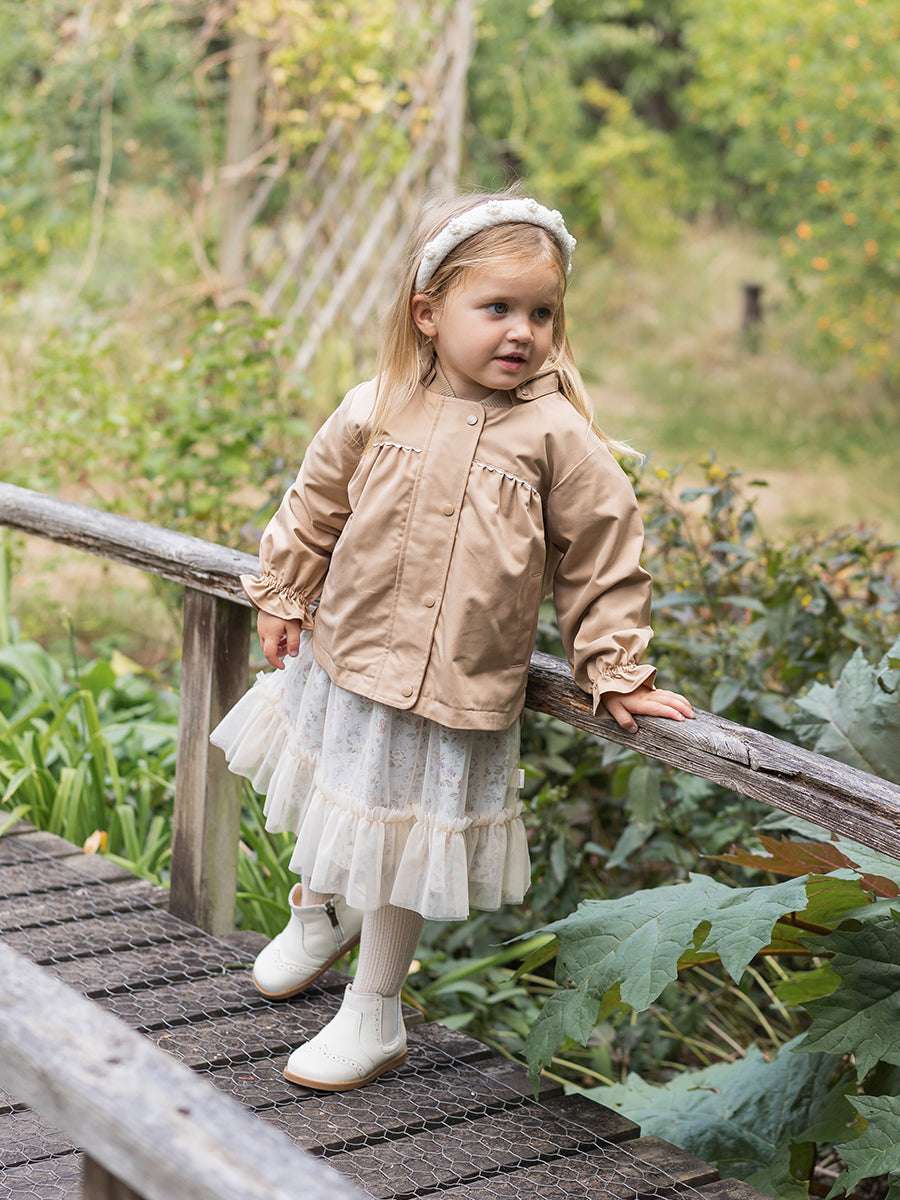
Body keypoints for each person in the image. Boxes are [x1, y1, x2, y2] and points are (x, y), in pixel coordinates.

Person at [211, 190, 693, 1093]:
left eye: (542, 313)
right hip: (348, 655)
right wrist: (283, 591)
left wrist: (615, 668)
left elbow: (603, 554)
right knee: (334, 791)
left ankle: (375, 1009)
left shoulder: (557, 437)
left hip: (453, 689)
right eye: (497, 307)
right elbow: (315, 506)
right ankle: (318, 912)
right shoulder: (378, 405)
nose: (522, 332)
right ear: (428, 313)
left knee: (400, 842)